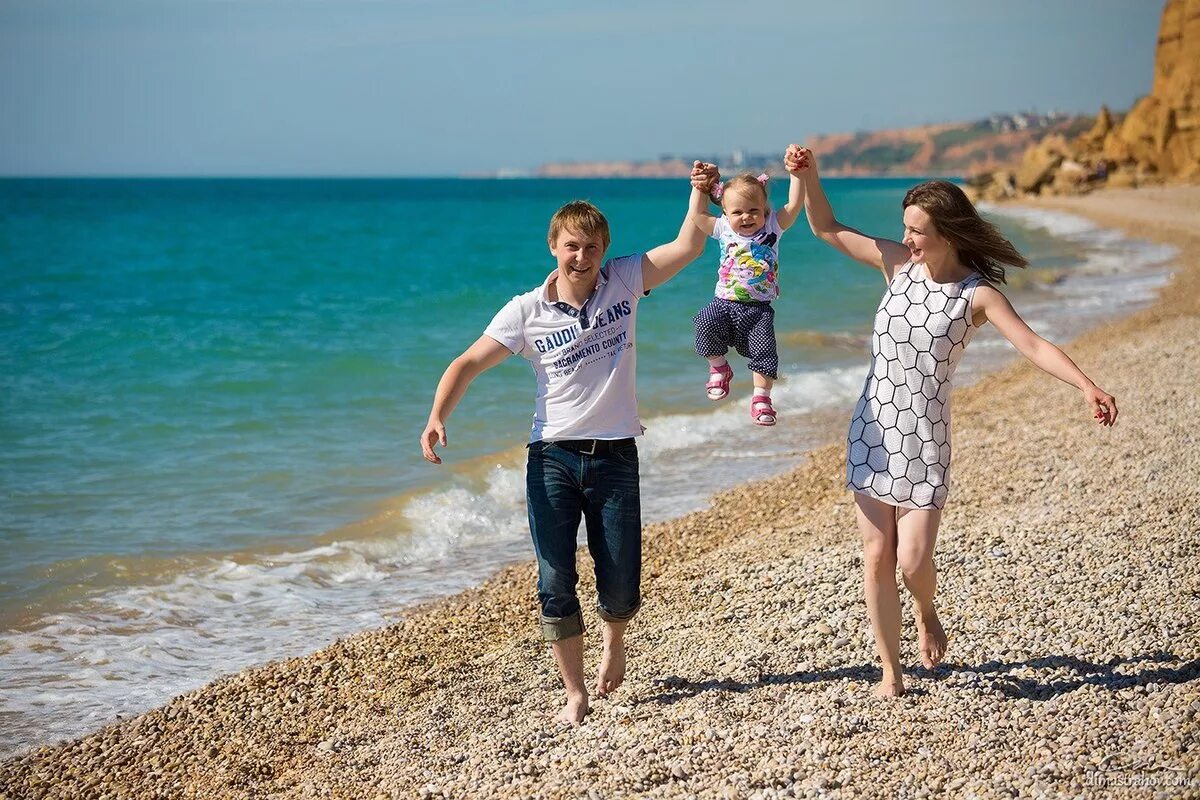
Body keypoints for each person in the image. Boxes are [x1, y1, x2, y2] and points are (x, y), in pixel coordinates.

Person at [787, 144, 1118, 697]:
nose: (908, 238)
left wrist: (1087, 384)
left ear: (948, 232)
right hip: (872, 433)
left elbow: (1033, 345)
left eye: (917, 230)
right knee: (877, 555)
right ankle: (890, 669)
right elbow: (824, 226)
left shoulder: (977, 296)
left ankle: (925, 609)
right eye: (905, 228)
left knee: (913, 563)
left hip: (925, 440)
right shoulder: (896, 265)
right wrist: (810, 176)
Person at [419, 163, 719, 723]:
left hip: (616, 456)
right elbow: (467, 362)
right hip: (551, 457)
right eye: (570, 246)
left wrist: (698, 193)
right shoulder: (525, 311)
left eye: (591, 247)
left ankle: (615, 639)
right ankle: (574, 690)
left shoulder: (628, 280)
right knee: (555, 578)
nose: (580, 257)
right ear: (553, 247)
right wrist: (437, 415)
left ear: (605, 250)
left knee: (622, 581)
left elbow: (690, 245)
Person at [689, 165, 806, 426]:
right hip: (724, 303)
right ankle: (719, 367)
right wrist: (698, 187)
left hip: (758, 309)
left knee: (765, 352)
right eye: (737, 212)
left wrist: (797, 175)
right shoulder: (723, 229)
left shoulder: (773, 228)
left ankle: (761, 398)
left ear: (765, 211)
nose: (746, 217)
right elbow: (697, 214)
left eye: (754, 211)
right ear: (726, 213)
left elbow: (795, 203)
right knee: (703, 323)